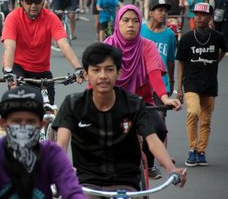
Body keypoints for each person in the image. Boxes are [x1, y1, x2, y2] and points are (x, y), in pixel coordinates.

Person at [53, 43, 187, 197]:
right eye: (96, 70)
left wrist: (171, 169)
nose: (103, 75)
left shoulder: (134, 104)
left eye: (109, 69)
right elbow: (61, 144)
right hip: (86, 182)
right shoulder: (73, 104)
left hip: (125, 182)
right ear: (86, 74)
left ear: (119, 73)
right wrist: (61, 170)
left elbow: (152, 139)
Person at [0, 85, 86, 199]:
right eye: (16, 121)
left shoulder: (52, 155)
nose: (23, 127)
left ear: (41, 124)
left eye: (30, 122)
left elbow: (72, 191)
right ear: (3, 123)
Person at [104, 4, 182, 179]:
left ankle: (150, 163)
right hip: (114, 102)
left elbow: (154, 72)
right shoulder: (107, 47)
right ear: (118, 23)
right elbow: (96, 78)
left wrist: (164, 97)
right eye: (126, 20)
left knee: (159, 129)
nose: (130, 25)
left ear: (141, 24)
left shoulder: (147, 46)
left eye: (135, 21)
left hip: (142, 102)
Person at [2, 0, 84, 105]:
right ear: (21, 2)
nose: (33, 5)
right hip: (18, 67)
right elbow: (9, 47)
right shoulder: (13, 18)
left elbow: (64, 44)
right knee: (19, 99)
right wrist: (8, 71)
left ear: (43, 1)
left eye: (37, 1)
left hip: (42, 70)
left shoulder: (51, 18)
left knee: (48, 106)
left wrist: (78, 68)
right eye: (29, 1)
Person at [176, 3, 227, 167]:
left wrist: (214, 63)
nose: (198, 17)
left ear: (210, 17)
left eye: (202, 14)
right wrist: (179, 87)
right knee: (193, 111)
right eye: (196, 14)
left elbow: (224, 50)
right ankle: (192, 149)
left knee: (206, 120)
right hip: (191, 82)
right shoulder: (186, 38)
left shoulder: (218, 37)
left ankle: (201, 151)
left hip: (210, 83)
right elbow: (181, 62)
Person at [141, 0, 177, 96]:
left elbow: (170, 60)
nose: (164, 13)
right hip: (141, 82)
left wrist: (171, 82)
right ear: (151, 13)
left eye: (166, 11)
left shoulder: (170, 35)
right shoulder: (140, 29)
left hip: (161, 84)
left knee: (160, 111)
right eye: (160, 10)